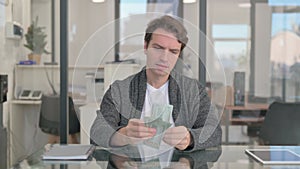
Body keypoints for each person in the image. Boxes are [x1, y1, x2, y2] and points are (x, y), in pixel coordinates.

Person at [90, 15, 221, 152]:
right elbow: (97, 132)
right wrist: (123, 135)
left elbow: (214, 132)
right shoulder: (119, 90)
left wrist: (190, 139)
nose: (164, 58)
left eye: (173, 51)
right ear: (146, 47)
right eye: (158, 48)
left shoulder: (193, 90)